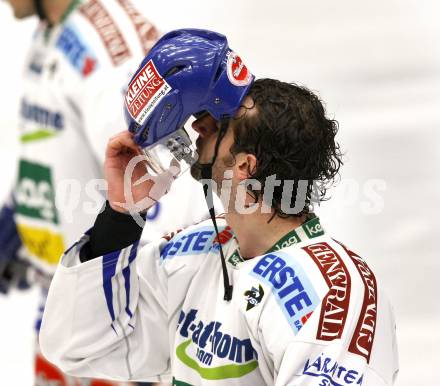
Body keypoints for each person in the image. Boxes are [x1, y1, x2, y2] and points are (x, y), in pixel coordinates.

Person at [39, 29, 399, 385]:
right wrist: (121, 216)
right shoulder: (194, 252)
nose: (199, 123)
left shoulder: (332, 290)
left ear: (245, 166)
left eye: (221, 123)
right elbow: (77, 345)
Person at [1, 2, 208, 385]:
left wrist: (141, 334)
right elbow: (54, 141)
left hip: (110, 321)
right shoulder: (53, 27)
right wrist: (22, 216)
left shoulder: (108, 49)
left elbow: (156, 186)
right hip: (70, 302)